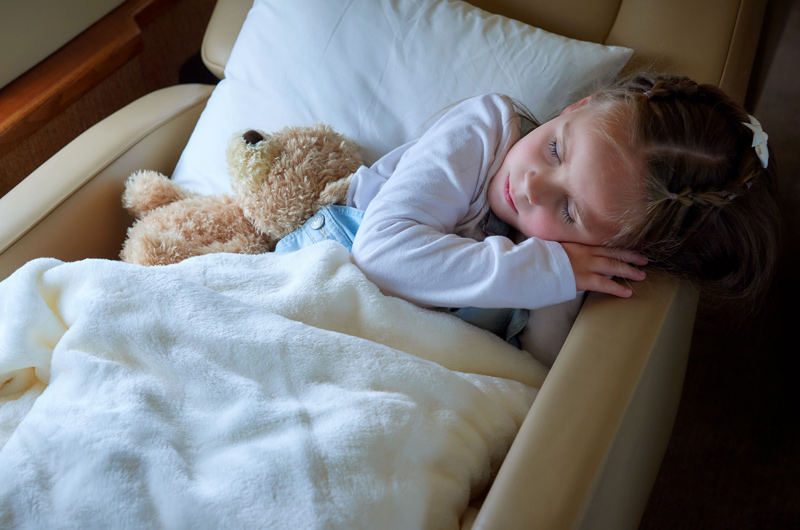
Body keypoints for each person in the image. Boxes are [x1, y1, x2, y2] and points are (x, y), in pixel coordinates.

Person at [276, 72, 779, 345]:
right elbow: (382, 253)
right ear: (577, 108)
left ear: (610, 247)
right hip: (331, 254)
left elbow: (531, 373)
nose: (534, 185)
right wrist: (548, 267)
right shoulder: (483, 131)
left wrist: (560, 282)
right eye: (557, 150)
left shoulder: (563, 258)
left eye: (570, 211)